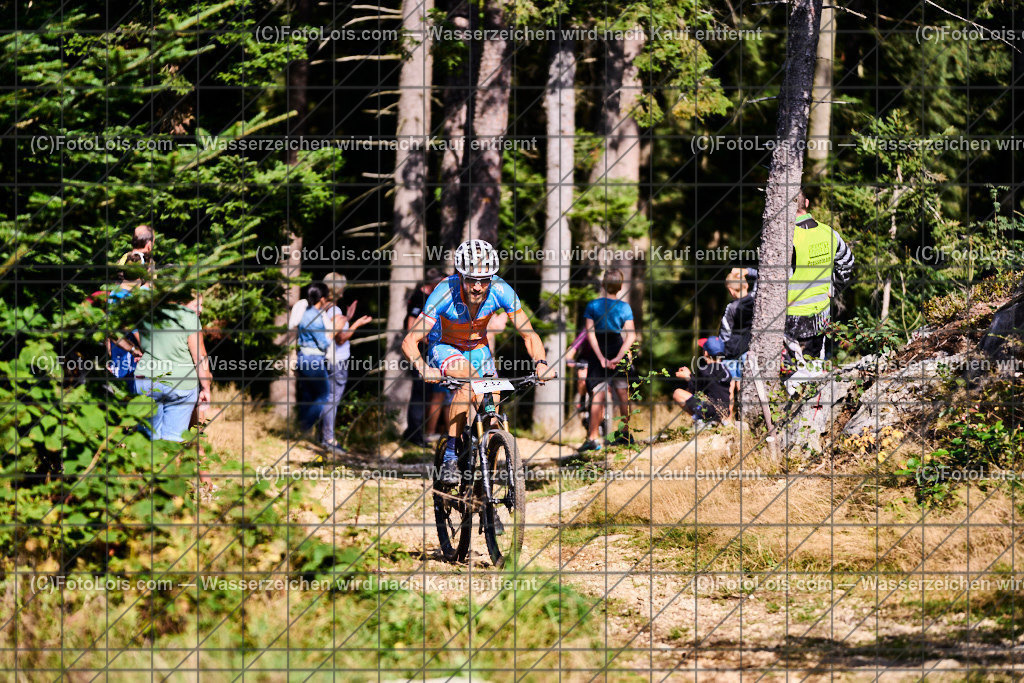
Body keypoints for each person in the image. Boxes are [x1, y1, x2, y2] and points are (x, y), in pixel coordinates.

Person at [401, 239, 553, 486]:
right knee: (468, 382)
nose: (478, 287)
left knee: (492, 405)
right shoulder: (444, 292)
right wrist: (423, 367)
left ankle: (485, 490)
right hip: (445, 347)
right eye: (471, 279)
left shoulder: (501, 290)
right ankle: (450, 454)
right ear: (461, 275)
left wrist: (541, 362)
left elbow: (529, 334)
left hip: (478, 350)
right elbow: (411, 340)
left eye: (484, 280)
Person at [784, 191, 855, 372]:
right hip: (821, 315)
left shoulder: (785, 238)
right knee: (815, 369)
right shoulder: (828, 232)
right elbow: (848, 262)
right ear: (806, 203)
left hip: (792, 316)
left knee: (792, 375)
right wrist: (835, 287)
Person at [133, 290, 211, 442]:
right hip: (180, 384)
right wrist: (206, 387)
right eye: (197, 305)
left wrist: (133, 349)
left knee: (147, 439)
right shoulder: (189, 318)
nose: (200, 309)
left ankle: (145, 464)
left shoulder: (146, 313)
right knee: (173, 442)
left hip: (147, 379)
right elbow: (200, 357)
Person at [580, 269, 636, 452]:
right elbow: (631, 336)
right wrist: (619, 357)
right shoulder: (624, 307)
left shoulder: (593, 305)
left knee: (598, 393)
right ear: (620, 287)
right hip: (617, 346)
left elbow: (590, 333)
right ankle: (625, 433)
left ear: (603, 285)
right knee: (622, 393)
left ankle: (592, 438)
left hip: (600, 349)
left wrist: (601, 357)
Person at [321, 272, 372, 453]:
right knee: (332, 399)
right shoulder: (335, 310)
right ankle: (328, 439)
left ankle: (325, 437)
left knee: (327, 397)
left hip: (328, 358)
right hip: (337, 360)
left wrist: (348, 318)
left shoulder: (325, 307)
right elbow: (341, 338)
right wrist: (357, 323)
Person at [403, 269, 445, 446]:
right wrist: (422, 338)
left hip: (432, 350)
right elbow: (411, 323)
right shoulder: (420, 296)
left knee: (428, 393)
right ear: (433, 282)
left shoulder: (436, 296)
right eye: (441, 282)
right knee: (419, 393)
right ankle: (415, 435)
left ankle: (413, 432)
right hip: (419, 350)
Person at [295, 282, 334, 447]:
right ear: (322, 299)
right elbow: (324, 343)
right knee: (324, 394)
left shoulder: (304, 314)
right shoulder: (317, 318)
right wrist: (335, 331)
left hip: (302, 357)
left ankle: (297, 429)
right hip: (314, 360)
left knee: (308, 395)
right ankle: (304, 426)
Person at [672, 336, 733, 431]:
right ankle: (717, 421)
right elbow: (730, 393)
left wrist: (688, 376)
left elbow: (696, 391)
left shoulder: (705, 370)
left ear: (705, 353)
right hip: (724, 412)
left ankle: (702, 420)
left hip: (711, 411)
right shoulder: (727, 371)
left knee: (678, 393)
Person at [718, 267, 758, 383]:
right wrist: (747, 271)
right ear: (746, 285)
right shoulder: (757, 299)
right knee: (745, 384)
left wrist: (721, 350)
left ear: (731, 290)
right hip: (749, 349)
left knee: (728, 386)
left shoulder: (731, 308)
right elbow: (762, 276)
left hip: (732, 352)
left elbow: (725, 332)